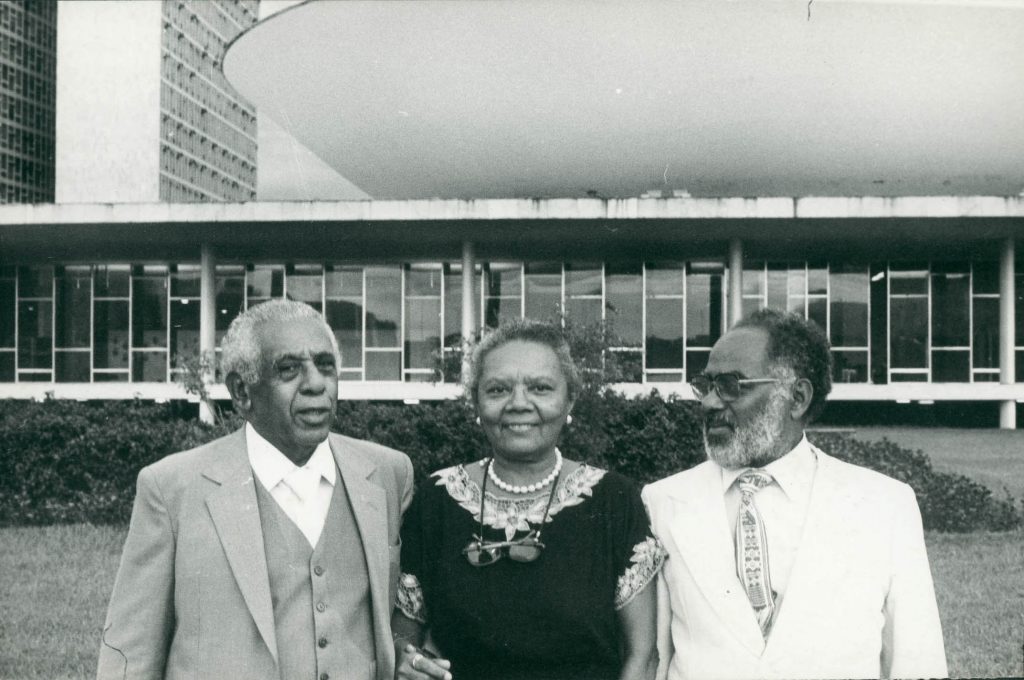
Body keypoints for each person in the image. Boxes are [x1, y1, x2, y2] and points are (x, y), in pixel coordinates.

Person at [97, 299, 414, 680]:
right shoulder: (171, 489)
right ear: (242, 393)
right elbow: (131, 652)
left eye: (325, 364)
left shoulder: (388, 474)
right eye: (289, 369)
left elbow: (405, 612)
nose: (316, 384)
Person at [643, 308, 947, 680]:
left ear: (797, 397)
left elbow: (918, 661)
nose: (709, 402)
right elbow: (651, 659)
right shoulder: (662, 503)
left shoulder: (884, 505)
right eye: (705, 385)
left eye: (731, 385)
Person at [392, 319, 664, 680]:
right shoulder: (435, 499)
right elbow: (402, 639)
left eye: (540, 388)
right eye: (498, 390)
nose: (519, 404)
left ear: (570, 400)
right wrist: (405, 662)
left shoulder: (614, 501)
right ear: (476, 403)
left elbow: (642, 655)